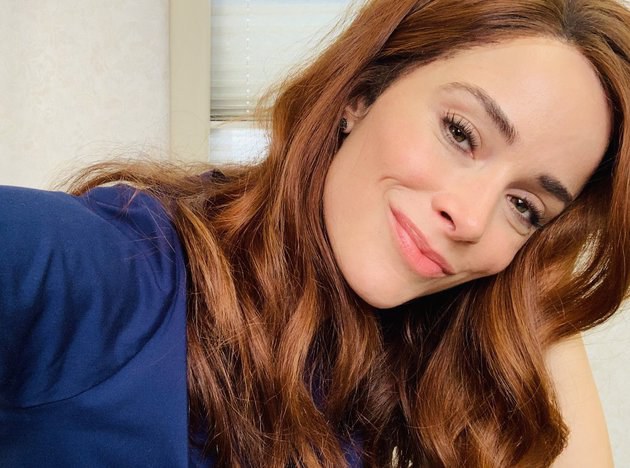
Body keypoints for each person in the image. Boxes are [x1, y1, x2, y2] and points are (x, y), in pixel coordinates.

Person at [1, 0, 629, 466]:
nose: (469, 217)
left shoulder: (410, 368)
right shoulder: (120, 271)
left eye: (524, 206)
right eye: (460, 133)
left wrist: (538, 285)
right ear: (361, 94)